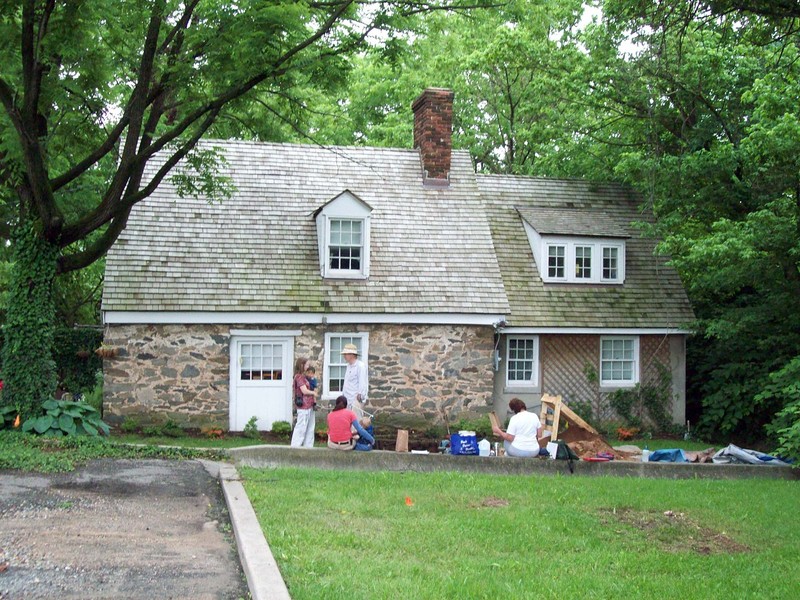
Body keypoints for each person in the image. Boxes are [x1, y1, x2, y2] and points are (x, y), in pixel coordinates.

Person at [290, 357, 319, 448]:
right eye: (306, 364)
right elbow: (304, 391)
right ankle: (295, 446)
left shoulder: (305, 377)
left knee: (310, 428)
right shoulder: (299, 377)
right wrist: (313, 392)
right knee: (301, 427)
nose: (308, 366)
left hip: (309, 405)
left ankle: (308, 447)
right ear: (301, 365)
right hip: (303, 406)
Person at [341, 343, 368, 417]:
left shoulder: (360, 366)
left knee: (356, 422)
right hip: (347, 398)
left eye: (346, 354)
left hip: (355, 399)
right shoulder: (348, 366)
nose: (344, 356)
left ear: (352, 355)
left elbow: (362, 382)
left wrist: (360, 396)